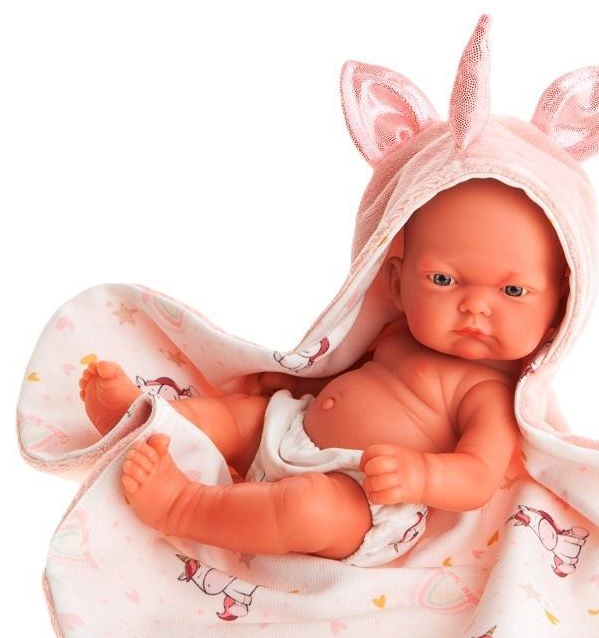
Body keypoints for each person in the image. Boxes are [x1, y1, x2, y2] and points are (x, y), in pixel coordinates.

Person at [79, 177, 569, 566]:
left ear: (559, 307)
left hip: (360, 497)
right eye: (443, 279)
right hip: (292, 428)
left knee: (305, 509)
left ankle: (183, 507)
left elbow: (478, 476)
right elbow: (344, 369)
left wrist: (420, 474)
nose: (475, 307)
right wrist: (297, 381)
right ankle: (140, 420)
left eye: (513, 291)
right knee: (234, 416)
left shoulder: (488, 392)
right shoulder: (395, 334)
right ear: (396, 283)